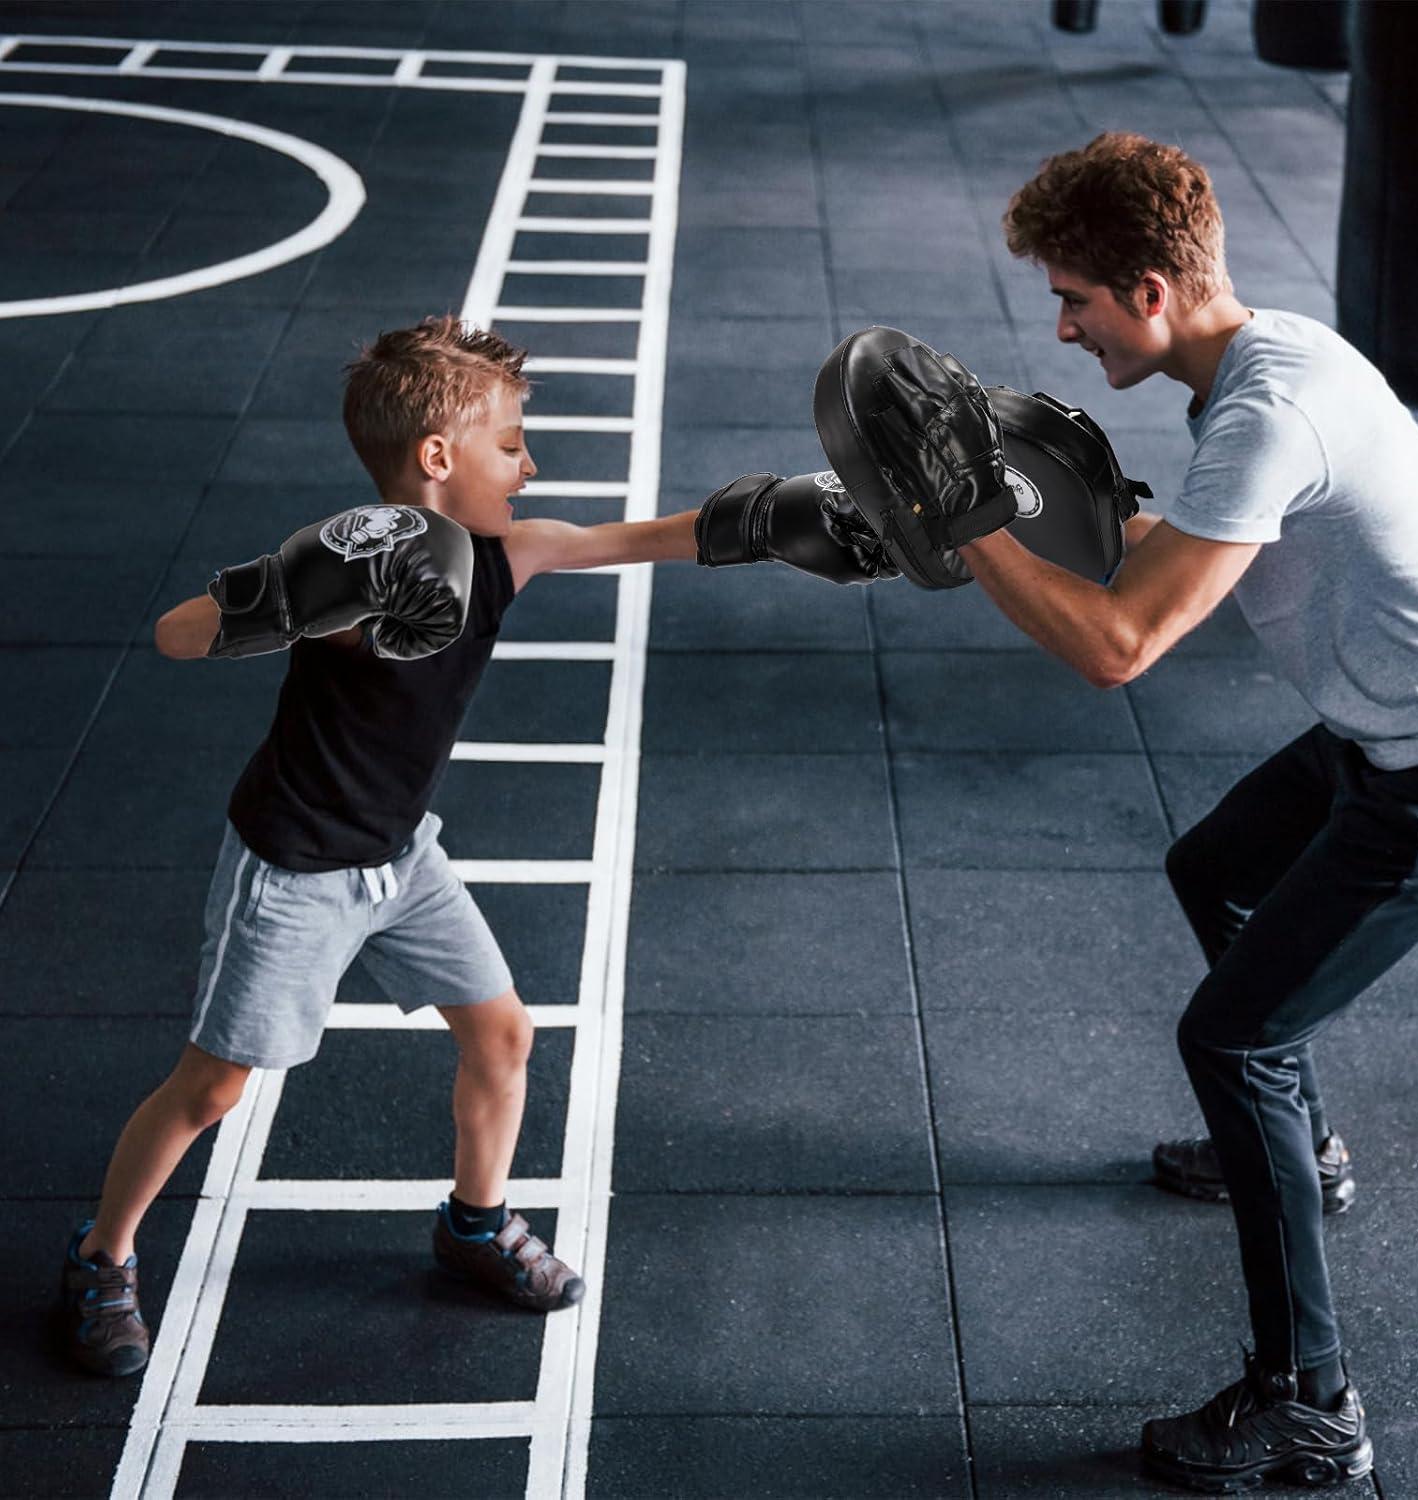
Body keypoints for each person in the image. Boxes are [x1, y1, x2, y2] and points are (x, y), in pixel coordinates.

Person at [61, 314, 969, 1378]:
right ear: (437, 458)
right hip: (297, 871)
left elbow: (646, 539)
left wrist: (783, 519)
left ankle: (474, 1224)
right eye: (510, 445)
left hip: (404, 859)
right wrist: (293, 592)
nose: (529, 465)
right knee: (214, 1088)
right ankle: (100, 1258)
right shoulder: (351, 586)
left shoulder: (507, 552)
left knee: (502, 1037)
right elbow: (176, 635)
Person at [962, 133, 1418, 1491]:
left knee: (1235, 1038)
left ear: (1150, 290)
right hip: (1380, 726)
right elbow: (1175, 541)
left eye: (1075, 299)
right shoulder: (1268, 360)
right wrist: (1014, 503)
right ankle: (1295, 1154)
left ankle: (1313, 1400)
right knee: (1215, 866)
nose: (1064, 326)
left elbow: (1119, 650)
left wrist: (963, 536)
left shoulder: (1267, 410)